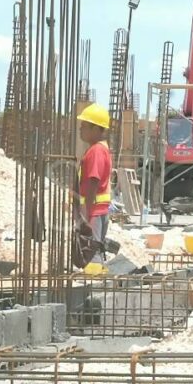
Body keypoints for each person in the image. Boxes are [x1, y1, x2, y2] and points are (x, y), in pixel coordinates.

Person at [73, 103, 112, 271]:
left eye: (84, 127)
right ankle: (98, 281)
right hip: (99, 209)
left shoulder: (96, 151)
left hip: (93, 210)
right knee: (95, 249)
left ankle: (93, 289)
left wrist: (87, 217)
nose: (81, 130)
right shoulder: (102, 149)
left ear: (96, 128)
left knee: (91, 252)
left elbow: (93, 182)